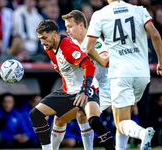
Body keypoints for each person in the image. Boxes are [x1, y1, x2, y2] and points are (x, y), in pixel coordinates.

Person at [85, 0, 162, 149]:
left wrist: (102, 61)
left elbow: (89, 49)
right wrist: (160, 61)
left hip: (121, 73)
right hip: (142, 74)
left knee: (120, 123)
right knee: (125, 116)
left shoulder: (100, 14)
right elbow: (155, 35)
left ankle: (142, 134)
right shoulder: (140, 10)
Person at [29, 20, 115, 150]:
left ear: (54, 33)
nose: (42, 42)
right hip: (68, 91)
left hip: (87, 89)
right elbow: (66, 70)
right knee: (36, 114)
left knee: (93, 120)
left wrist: (84, 90)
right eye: (40, 39)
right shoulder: (50, 48)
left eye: (44, 38)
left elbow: (89, 66)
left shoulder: (68, 48)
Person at [51, 10, 128, 150]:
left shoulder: (94, 41)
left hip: (104, 87)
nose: (67, 30)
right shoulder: (70, 43)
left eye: (70, 26)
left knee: (84, 115)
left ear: (81, 25)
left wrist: (105, 58)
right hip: (85, 87)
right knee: (64, 117)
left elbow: (105, 58)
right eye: (66, 26)